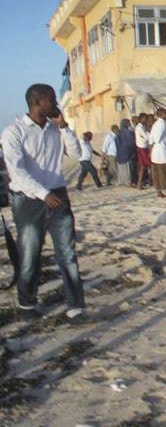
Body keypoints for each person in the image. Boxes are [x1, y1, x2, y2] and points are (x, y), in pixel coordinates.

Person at [1, 84, 86, 322]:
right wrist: (42, 193)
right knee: (30, 254)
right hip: (28, 200)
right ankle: (27, 303)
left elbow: (77, 153)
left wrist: (65, 127)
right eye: (52, 99)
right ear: (38, 102)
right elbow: (16, 172)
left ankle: (75, 306)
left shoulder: (54, 129)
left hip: (57, 195)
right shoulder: (14, 132)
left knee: (67, 253)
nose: (56, 103)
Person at [149, 108, 166, 198]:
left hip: (157, 152)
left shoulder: (156, 124)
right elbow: (157, 138)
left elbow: (151, 139)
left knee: (158, 174)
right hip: (162, 152)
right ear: (162, 114)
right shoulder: (161, 125)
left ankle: (159, 191)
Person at [115, 119, 136, 186]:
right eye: (128, 123)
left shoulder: (119, 133)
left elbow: (117, 143)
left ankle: (124, 181)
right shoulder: (128, 132)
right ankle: (128, 182)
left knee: (123, 168)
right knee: (128, 168)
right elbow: (131, 142)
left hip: (121, 153)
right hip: (127, 153)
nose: (130, 124)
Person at [134, 112, 151, 190]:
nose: (146, 120)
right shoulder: (139, 127)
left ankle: (142, 182)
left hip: (144, 148)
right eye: (145, 119)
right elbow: (147, 137)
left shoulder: (141, 127)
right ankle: (139, 183)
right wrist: (148, 129)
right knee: (144, 166)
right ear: (141, 119)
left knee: (144, 166)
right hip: (142, 148)